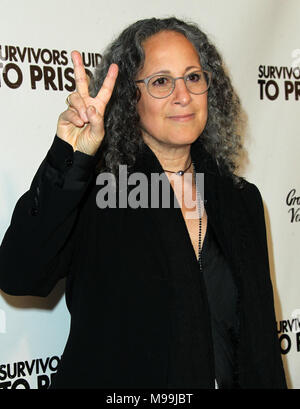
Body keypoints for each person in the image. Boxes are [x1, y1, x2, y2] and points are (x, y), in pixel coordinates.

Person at [0, 17, 286, 389]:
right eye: (161, 81)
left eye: (193, 77)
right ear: (127, 98)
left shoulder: (239, 199)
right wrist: (70, 157)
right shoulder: (94, 192)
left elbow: (260, 346)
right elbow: (19, 274)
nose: (183, 96)